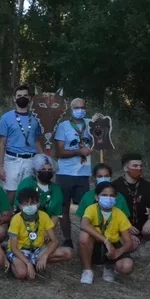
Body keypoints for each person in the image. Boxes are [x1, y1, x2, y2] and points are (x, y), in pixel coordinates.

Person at [7, 188, 73, 281]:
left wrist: (45, 256)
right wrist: (28, 263)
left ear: (38, 204)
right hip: (20, 251)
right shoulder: (16, 219)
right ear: (20, 206)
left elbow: (55, 241)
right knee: (22, 274)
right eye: (25, 204)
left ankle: (37, 263)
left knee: (68, 253)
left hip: (37, 250)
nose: (29, 206)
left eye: (32, 203)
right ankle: (16, 264)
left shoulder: (44, 216)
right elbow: (14, 248)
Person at [79, 183, 135, 284]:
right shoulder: (91, 209)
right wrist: (106, 241)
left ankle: (110, 267)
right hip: (96, 244)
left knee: (127, 266)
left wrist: (118, 252)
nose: (108, 198)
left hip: (113, 246)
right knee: (84, 236)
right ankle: (88, 270)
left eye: (111, 195)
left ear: (115, 198)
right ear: (97, 197)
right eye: (104, 195)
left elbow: (128, 242)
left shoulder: (119, 214)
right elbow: (84, 224)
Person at [54, 98, 93, 247]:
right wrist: (78, 152)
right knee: (64, 207)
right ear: (71, 109)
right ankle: (67, 239)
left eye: (83, 107)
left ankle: (86, 238)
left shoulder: (91, 124)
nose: (80, 110)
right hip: (65, 173)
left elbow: (103, 135)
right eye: (77, 108)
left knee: (86, 208)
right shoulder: (63, 126)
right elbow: (59, 152)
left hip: (83, 173)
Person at [0, 84, 44, 202]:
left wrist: (44, 160)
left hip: (31, 160)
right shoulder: (6, 118)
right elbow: (2, 143)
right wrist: (0, 167)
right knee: (11, 193)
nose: (22, 98)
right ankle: (8, 213)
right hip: (12, 160)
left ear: (30, 98)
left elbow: (37, 141)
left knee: (28, 192)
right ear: (14, 98)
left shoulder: (36, 118)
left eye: (25, 95)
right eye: (19, 96)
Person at [112, 152, 150, 249]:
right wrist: (126, 227)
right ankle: (127, 245)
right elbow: (111, 212)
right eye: (135, 166)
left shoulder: (146, 185)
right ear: (125, 168)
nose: (139, 168)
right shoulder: (115, 186)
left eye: (141, 166)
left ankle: (140, 241)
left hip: (140, 223)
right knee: (131, 245)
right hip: (122, 224)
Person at [16, 154, 64, 232]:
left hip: (47, 226)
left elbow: (56, 214)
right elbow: (20, 207)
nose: (47, 172)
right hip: (25, 224)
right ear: (35, 170)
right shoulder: (27, 183)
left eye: (49, 170)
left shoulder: (56, 189)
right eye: (43, 169)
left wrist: (47, 232)